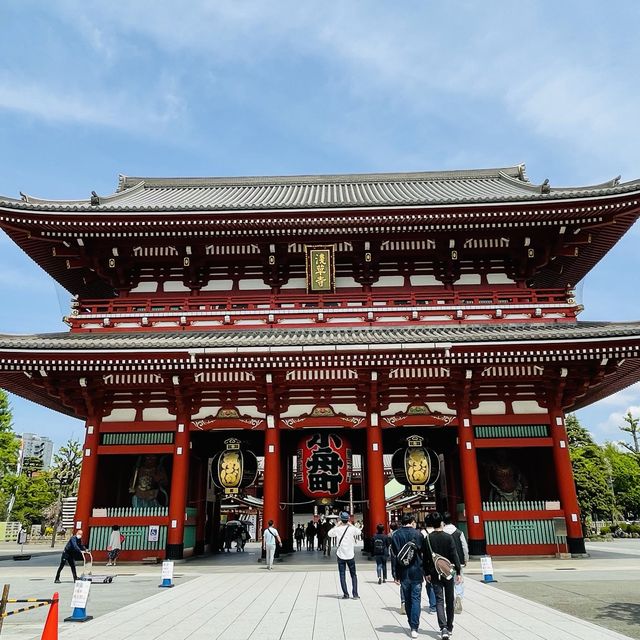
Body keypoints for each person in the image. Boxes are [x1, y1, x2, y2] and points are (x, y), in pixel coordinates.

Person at [424, 512, 462, 640]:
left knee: (439, 600)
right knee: (449, 599)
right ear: (441, 523)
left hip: (434, 572)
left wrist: (426, 573)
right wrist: (458, 571)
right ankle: (450, 626)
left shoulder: (428, 539)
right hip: (447, 572)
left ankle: (443, 627)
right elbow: (454, 555)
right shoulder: (448, 537)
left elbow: (426, 558)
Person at [391, 514, 425, 639]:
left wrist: (395, 574)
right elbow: (423, 554)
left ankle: (411, 623)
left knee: (407, 598)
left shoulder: (396, 535)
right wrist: (426, 572)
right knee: (416, 598)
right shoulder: (418, 534)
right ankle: (414, 627)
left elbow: (394, 556)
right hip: (416, 570)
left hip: (403, 571)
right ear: (412, 521)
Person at [327, 511, 359, 599]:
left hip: (341, 555)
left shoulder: (337, 529)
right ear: (348, 519)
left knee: (342, 574)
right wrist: (350, 524)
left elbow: (329, 533)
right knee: (353, 575)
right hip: (350, 555)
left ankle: (346, 594)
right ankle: (355, 594)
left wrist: (337, 525)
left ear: (341, 520)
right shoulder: (351, 529)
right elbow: (359, 532)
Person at [421, 514, 437, 614]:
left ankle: (433, 606)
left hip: (427, 561)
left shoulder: (422, 533)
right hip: (439, 561)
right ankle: (439, 603)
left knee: (429, 583)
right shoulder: (439, 532)